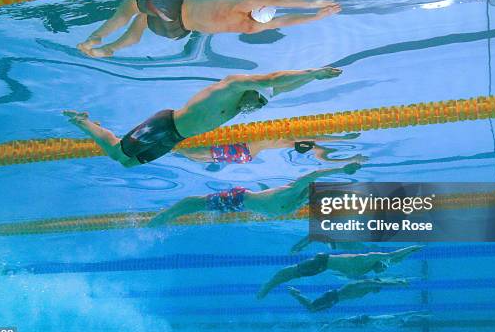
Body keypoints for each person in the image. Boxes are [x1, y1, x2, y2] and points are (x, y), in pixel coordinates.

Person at [63, 67, 342, 167]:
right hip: (165, 125)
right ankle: (84, 121)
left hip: (176, 137)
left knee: (128, 165)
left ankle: (91, 126)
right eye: (258, 101)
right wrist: (313, 72)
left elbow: (279, 87)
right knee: (116, 154)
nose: (256, 108)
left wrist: (312, 81)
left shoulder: (246, 102)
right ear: (252, 91)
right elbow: (273, 78)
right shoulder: (233, 85)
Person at [77, 0, 341, 57]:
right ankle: (112, 49)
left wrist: (310, 4)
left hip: (173, 7)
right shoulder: (252, 27)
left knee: (128, 8)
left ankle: (97, 38)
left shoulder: (242, 4)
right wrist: (315, 19)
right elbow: (285, 20)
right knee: (140, 26)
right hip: (178, 31)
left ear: (255, 7)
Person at [148, 162, 361, 227]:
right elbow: (312, 173)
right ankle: (161, 217)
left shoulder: (300, 200)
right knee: (194, 202)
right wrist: (342, 169)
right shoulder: (295, 189)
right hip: (240, 198)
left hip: (243, 204)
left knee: (198, 206)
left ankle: (165, 217)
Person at [257, 245, 423, 299]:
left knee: (292, 274)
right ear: (379, 262)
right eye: (382, 267)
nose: (380, 270)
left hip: (323, 265)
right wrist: (413, 249)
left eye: (382, 270)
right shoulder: (371, 257)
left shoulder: (369, 267)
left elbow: (393, 261)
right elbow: (393, 255)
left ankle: (270, 285)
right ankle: (269, 285)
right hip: (322, 262)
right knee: (291, 274)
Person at [175, 132, 365, 165]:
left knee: (196, 155)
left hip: (243, 151)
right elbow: (324, 155)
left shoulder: (299, 140)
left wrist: (349, 158)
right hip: (245, 153)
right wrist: (342, 138)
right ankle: (173, 148)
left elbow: (323, 155)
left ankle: (171, 148)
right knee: (198, 156)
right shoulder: (298, 142)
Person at [287, 277, 410, 312]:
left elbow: (382, 284)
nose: (378, 291)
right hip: (331, 297)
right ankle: (295, 293)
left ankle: (296, 294)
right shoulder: (364, 284)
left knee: (312, 308)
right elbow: (384, 284)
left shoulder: (367, 289)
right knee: (312, 307)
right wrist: (398, 283)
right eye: (378, 288)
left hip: (334, 300)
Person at [322, 311, 431, 329]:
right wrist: (422, 314)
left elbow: (410, 315)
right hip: (366, 319)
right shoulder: (395, 318)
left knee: (345, 321)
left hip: (366, 321)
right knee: (345, 321)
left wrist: (421, 315)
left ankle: (329, 326)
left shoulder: (392, 325)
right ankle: (328, 325)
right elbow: (410, 313)